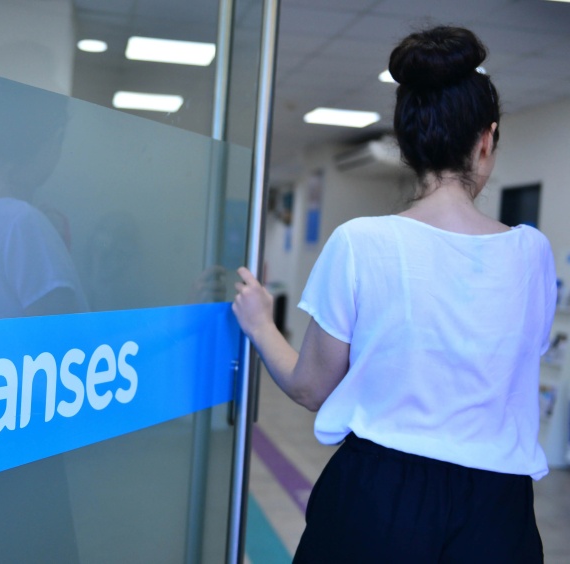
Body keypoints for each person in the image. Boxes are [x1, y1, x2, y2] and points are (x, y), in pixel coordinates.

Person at [233, 26, 556, 562]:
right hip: (497, 511)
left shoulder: (361, 242)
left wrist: (261, 325)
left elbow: (312, 388)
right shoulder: (532, 252)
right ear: (486, 141)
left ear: (406, 145)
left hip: (378, 500)